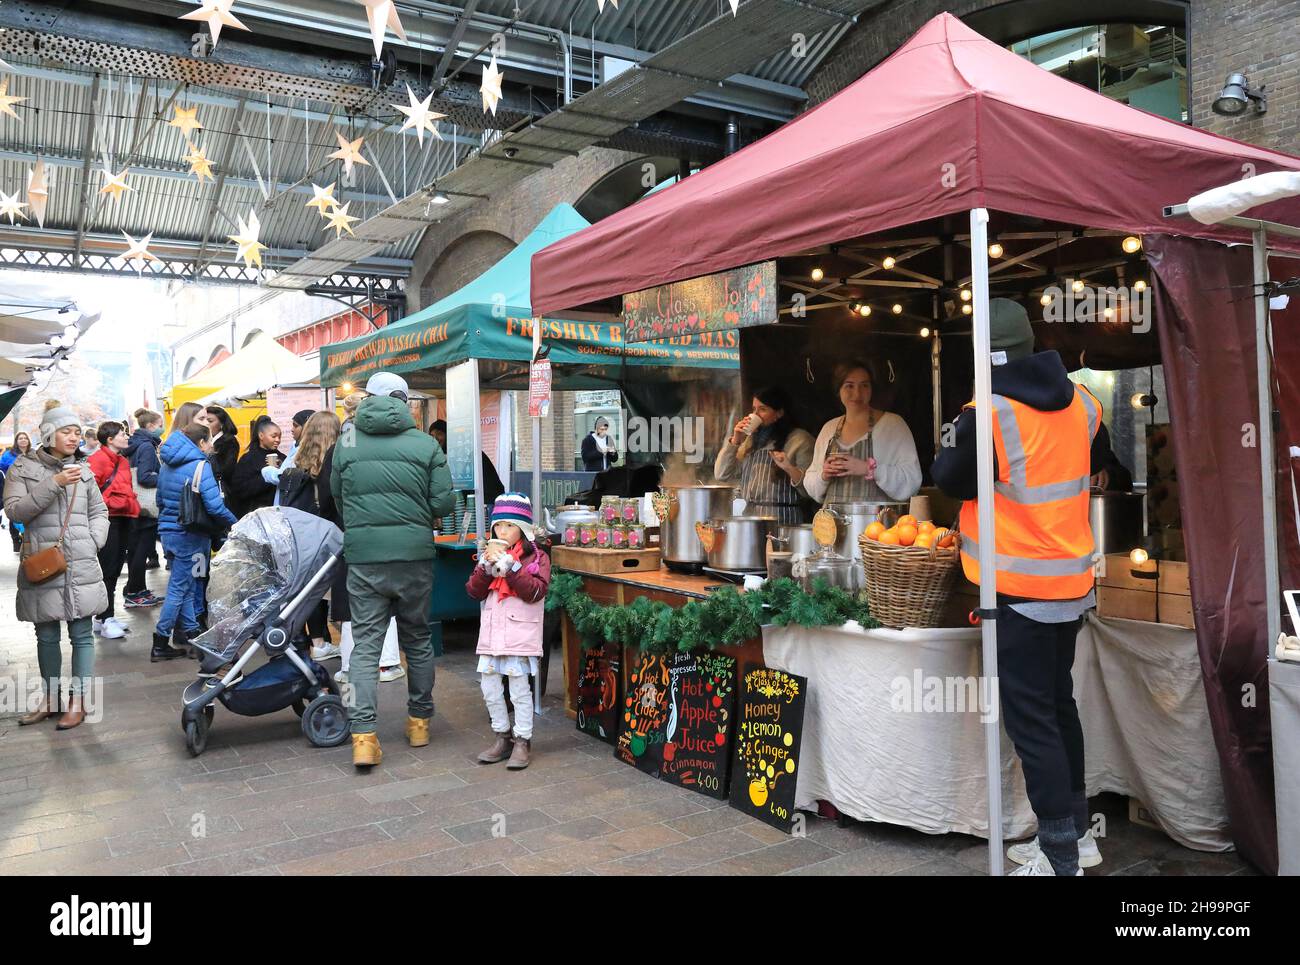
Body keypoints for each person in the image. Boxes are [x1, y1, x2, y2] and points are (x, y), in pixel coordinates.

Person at [932, 298, 1104, 877]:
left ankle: (1058, 860)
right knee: (1059, 708)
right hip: (1071, 585)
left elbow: (949, 479)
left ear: (982, 353)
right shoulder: (1083, 403)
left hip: (1017, 592)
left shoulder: (988, 413)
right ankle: (1077, 840)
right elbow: (1099, 460)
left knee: (1033, 723)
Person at [331, 371, 454, 768]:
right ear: (404, 401)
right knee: (417, 638)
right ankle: (419, 722)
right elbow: (443, 505)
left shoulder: (347, 439)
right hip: (414, 555)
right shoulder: (424, 443)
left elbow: (337, 495)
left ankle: (364, 737)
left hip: (364, 557)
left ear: (369, 398)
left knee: (366, 645)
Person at [4, 407, 108, 729]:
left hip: (81, 561)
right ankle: (51, 699)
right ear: (49, 434)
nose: (75, 437)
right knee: (46, 633)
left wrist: (94, 541)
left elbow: (99, 511)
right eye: (67, 432)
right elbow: (15, 511)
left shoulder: (85, 470)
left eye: (78, 432)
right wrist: (55, 482)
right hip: (42, 561)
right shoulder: (22, 468)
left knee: (81, 633)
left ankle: (78, 702)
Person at [465, 493, 550, 770]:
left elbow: (535, 592)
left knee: (518, 690)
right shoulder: (488, 556)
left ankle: (523, 740)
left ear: (522, 529)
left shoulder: (537, 557)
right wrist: (485, 568)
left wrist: (511, 568)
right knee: (489, 688)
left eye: (509, 525)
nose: (502, 531)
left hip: (520, 635)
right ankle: (502, 737)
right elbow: (474, 592)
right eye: (498, 525)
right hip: (492, 635)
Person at [156, 422, 237, 662]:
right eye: (209, 441)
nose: (212, 446)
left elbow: (159, 499)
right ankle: (160, 640)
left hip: (169, 532)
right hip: (190, 535)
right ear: (201, 443)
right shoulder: (200, 465)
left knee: (189, 586)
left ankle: (192, 633)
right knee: (179, 588)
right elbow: (214, 506)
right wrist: (236, 522)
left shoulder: (167, 463)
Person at [801, 359, 923, 505]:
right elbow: (810, 482)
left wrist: (868, 468)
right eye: (849, 386)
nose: (857, 393)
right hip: (831, 523)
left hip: (878, 524)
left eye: (864, 385)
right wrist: (823, 476)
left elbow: (912, 481)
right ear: (838, 390)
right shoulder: (829, 428)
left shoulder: (893, 425)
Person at [276, 411, 342, 659]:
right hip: (327, 532)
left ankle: (316, 641)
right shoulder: (333, 460)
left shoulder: (297, 459)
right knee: (326, 589)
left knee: (310, 587)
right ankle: (323, 643)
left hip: (301, 533)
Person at [714, 386, 816, 525]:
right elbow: (722, 474)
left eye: (762, 409)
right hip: (750, 519)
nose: (756, 415)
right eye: (754, 409)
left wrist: (789, 468)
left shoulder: (800, 440)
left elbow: (809, 491)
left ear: (779, 413)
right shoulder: (749, 441)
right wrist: (735, 440)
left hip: (784, 520)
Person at [88, 421, 140, 640]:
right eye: (122, 434)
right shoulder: (97, 460)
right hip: (107, 520)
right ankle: (105, 616)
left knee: (116, 568)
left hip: (125, 517)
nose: (127, 437)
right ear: (110, 439)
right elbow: (91, 493)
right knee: (108, 570)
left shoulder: (122, 460)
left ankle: (105, 617)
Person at [122, 409, 164, 608]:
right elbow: (145, 477)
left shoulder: (135, 444)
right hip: (146, 508)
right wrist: (164, 477)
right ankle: (135, 591)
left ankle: (137, 589)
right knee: (142, 549)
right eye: (159, 424)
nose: (161, 428)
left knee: (136, 549)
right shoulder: (147, 446)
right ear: (150, 426)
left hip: (135, 505)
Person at [429, 419, 505, 506]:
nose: (435, 439)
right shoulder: (448, 456)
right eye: (431, 435)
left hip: (486, 503)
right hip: (471, 504)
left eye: (439, 434)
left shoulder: (464, 452)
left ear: (448, 436)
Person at [227, 416, 284, 518]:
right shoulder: (248, 459)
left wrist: (281, 470)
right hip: (255, 515)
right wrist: (268, 475)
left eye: (280, 437)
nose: (278, 440)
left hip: (278, 514)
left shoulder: (283, 458)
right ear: (261, 436)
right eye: (274, 436)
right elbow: (239, 489)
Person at [1, 430, 33, 552]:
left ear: (29, 440)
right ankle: (16, 540)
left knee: (29, 513)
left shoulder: (34, 454)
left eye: (25, 438)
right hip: (13, 488)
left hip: (30, 488)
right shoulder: (8, 455)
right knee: (14, 513)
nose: (23, 440)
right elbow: (1, 468)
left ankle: (28, 538)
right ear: (16, 441)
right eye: (20, 438)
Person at [197, 405, 240, 489]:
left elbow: (226, 470)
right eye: (204, 420)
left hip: (221, 488)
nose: (206, 423)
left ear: (222, 424)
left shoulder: (229, 441)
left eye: (210, 421)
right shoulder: (202, 440)